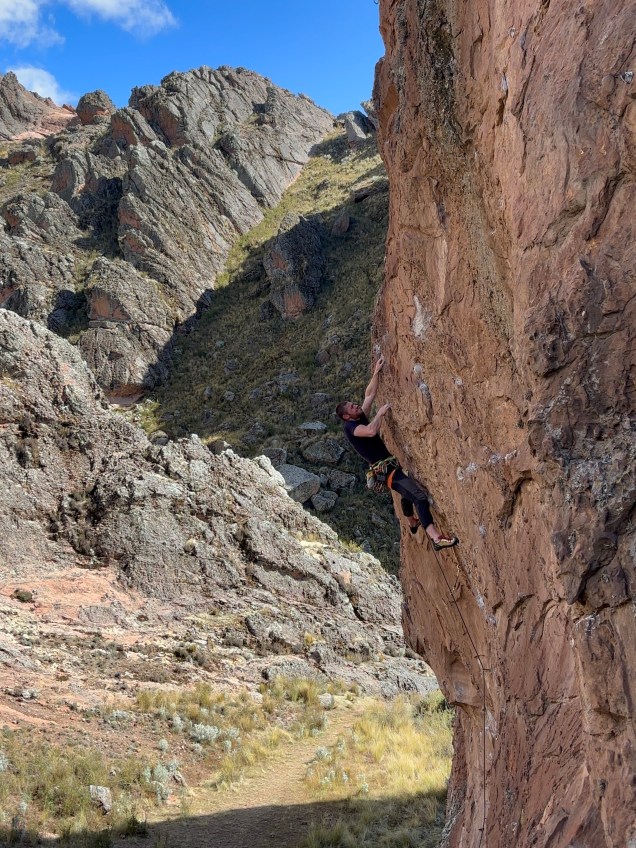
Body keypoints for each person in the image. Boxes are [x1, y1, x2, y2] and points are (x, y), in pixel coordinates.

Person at [335, 356, 459, 551]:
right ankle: (436, 538)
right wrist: (380, 414)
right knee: (419, 497)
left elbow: (369, 394)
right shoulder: (352, 428)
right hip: (389, 473)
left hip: (390, 468)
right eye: (352, 407)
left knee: (406, 494)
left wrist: (376, 372)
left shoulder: (357, 417)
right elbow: (370, 431)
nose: (356, 406)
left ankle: (412, 522)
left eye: (353, 404)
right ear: (346, 416)